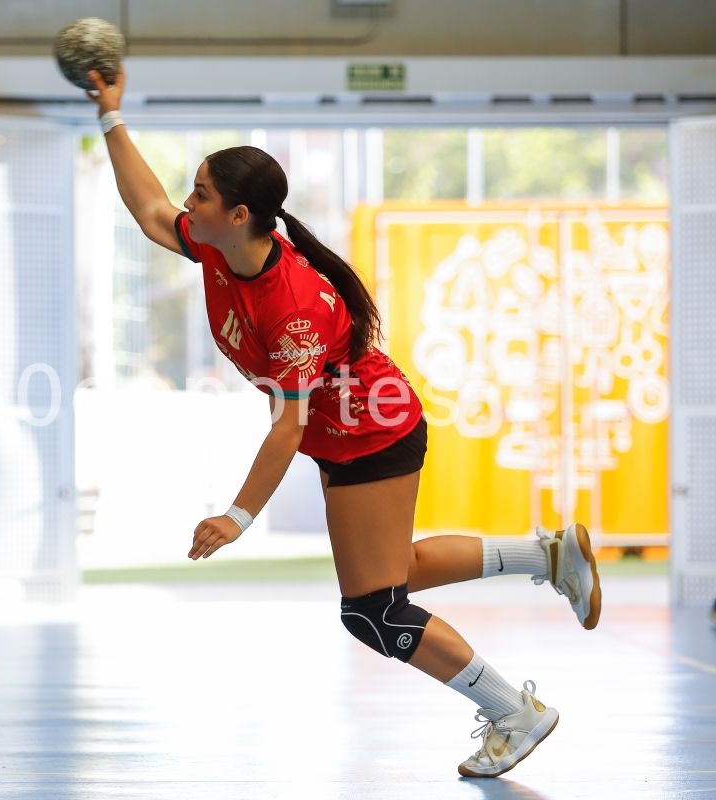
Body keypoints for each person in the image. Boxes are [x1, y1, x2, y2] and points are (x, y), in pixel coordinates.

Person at [86, 69, 602, 778]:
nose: (186, 201)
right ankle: (547, 558)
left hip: (372, 432)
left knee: (375, 612)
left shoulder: (289, 304)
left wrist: (236, 516)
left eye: (200, 192)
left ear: (239, 214)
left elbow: (287, 429)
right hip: (353, 433)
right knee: (399, 574)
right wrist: (112, 117)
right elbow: (147, 209)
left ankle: (516, 709)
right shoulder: (217, 245)